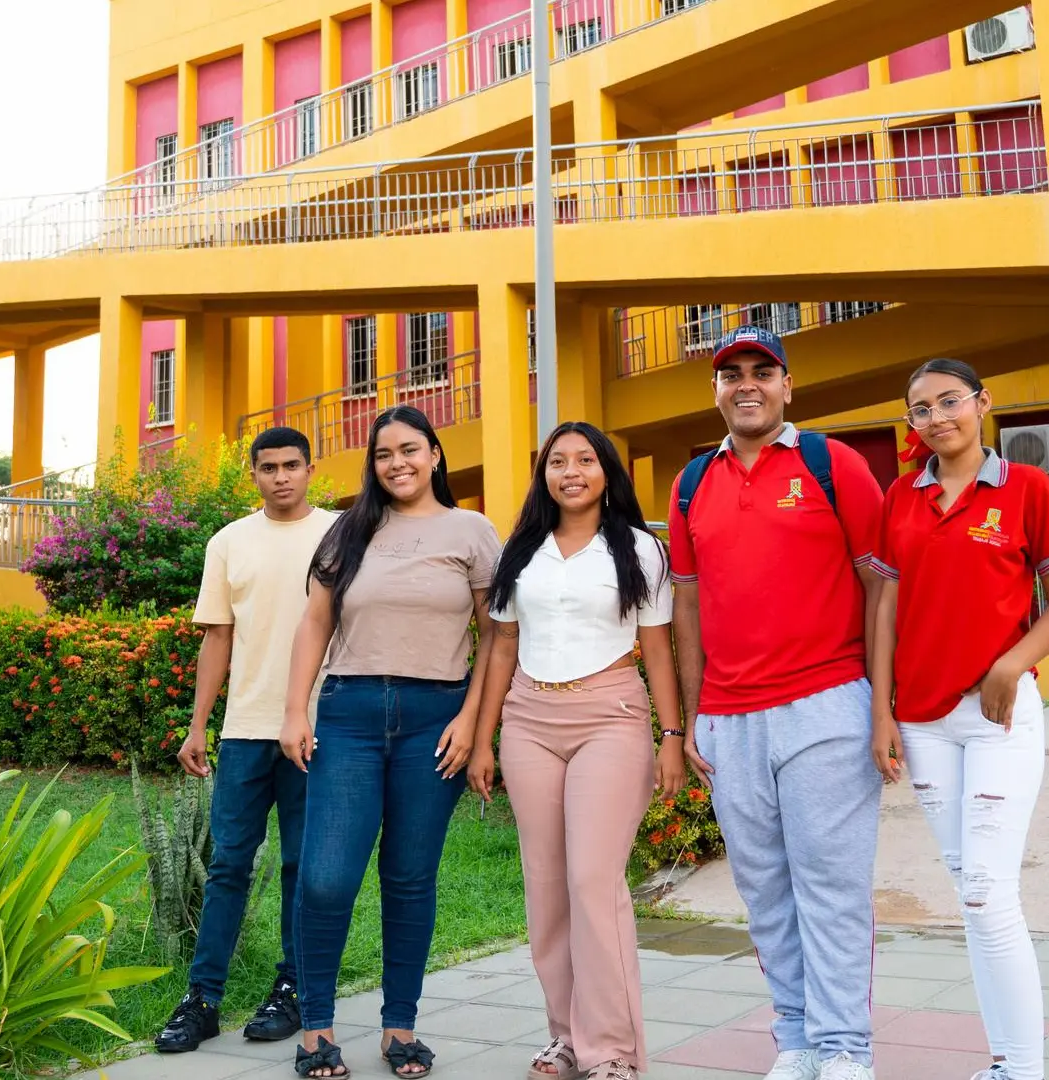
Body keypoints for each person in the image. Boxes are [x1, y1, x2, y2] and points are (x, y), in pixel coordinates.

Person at [667, 325, 886, 1080]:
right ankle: (796, 1040)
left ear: (788, 385)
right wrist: (692, 715)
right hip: (729, 718)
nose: (747, 385)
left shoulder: (832, 464)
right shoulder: (692, 482)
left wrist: (881, 706)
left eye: (763, 371)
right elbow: (688, 606)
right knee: (763, 891)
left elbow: (881, 585)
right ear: (717, 390)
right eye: (732, 374)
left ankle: (845, 1047)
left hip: (826, 701)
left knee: (830, 888)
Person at [868, 359, 1049, 1080]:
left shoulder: (1027, 488)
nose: (936, 418)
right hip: (923, 722)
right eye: (920, 409)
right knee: (972, 897)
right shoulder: (901, 496)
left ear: (982, 403)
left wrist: (1009, 665)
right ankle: (1003, 1065)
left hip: (999, 718)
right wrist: (881, 712)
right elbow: (886, 608)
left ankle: (1023, 1071)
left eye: (949, 401)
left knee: (989, 895)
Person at [279, 404, 501, 1080]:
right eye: (383, 454)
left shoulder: (472, 530)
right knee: (325, 877)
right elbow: (315, 623)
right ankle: (316, 1028)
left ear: (435, 455)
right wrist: (295, 711)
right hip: (348, 713)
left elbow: (498, 635)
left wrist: (473, 722)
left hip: (436, 718)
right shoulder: (349, 530)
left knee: (408, 877)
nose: (397, 463)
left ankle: (399, 1026)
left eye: (409, 449)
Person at [467, 421, 688, 1080]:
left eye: (585, 460)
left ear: (606, 471)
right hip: (528, 720)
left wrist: (672, 737)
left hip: (610, 716)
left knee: (593, 881)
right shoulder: (522, 550)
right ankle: (566, 1038)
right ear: (544, 476)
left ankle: (612, 1049)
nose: (571, 472)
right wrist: (482, 740)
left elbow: (658, 650)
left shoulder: (640, 550)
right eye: (557, 462)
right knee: (546, 886)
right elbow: (501, 646)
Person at [155, 426, 340, 1054]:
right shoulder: (229, 541)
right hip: (244, 732)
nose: (281, 476)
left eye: (292, 465)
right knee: (229, 865)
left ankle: (293, 988)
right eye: (268, 467)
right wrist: (198, 724)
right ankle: (202, 999)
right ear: (253, 473)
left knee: (301, 867)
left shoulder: (341, 533)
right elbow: (218, 636)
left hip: (318, 730)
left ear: (311, 468)